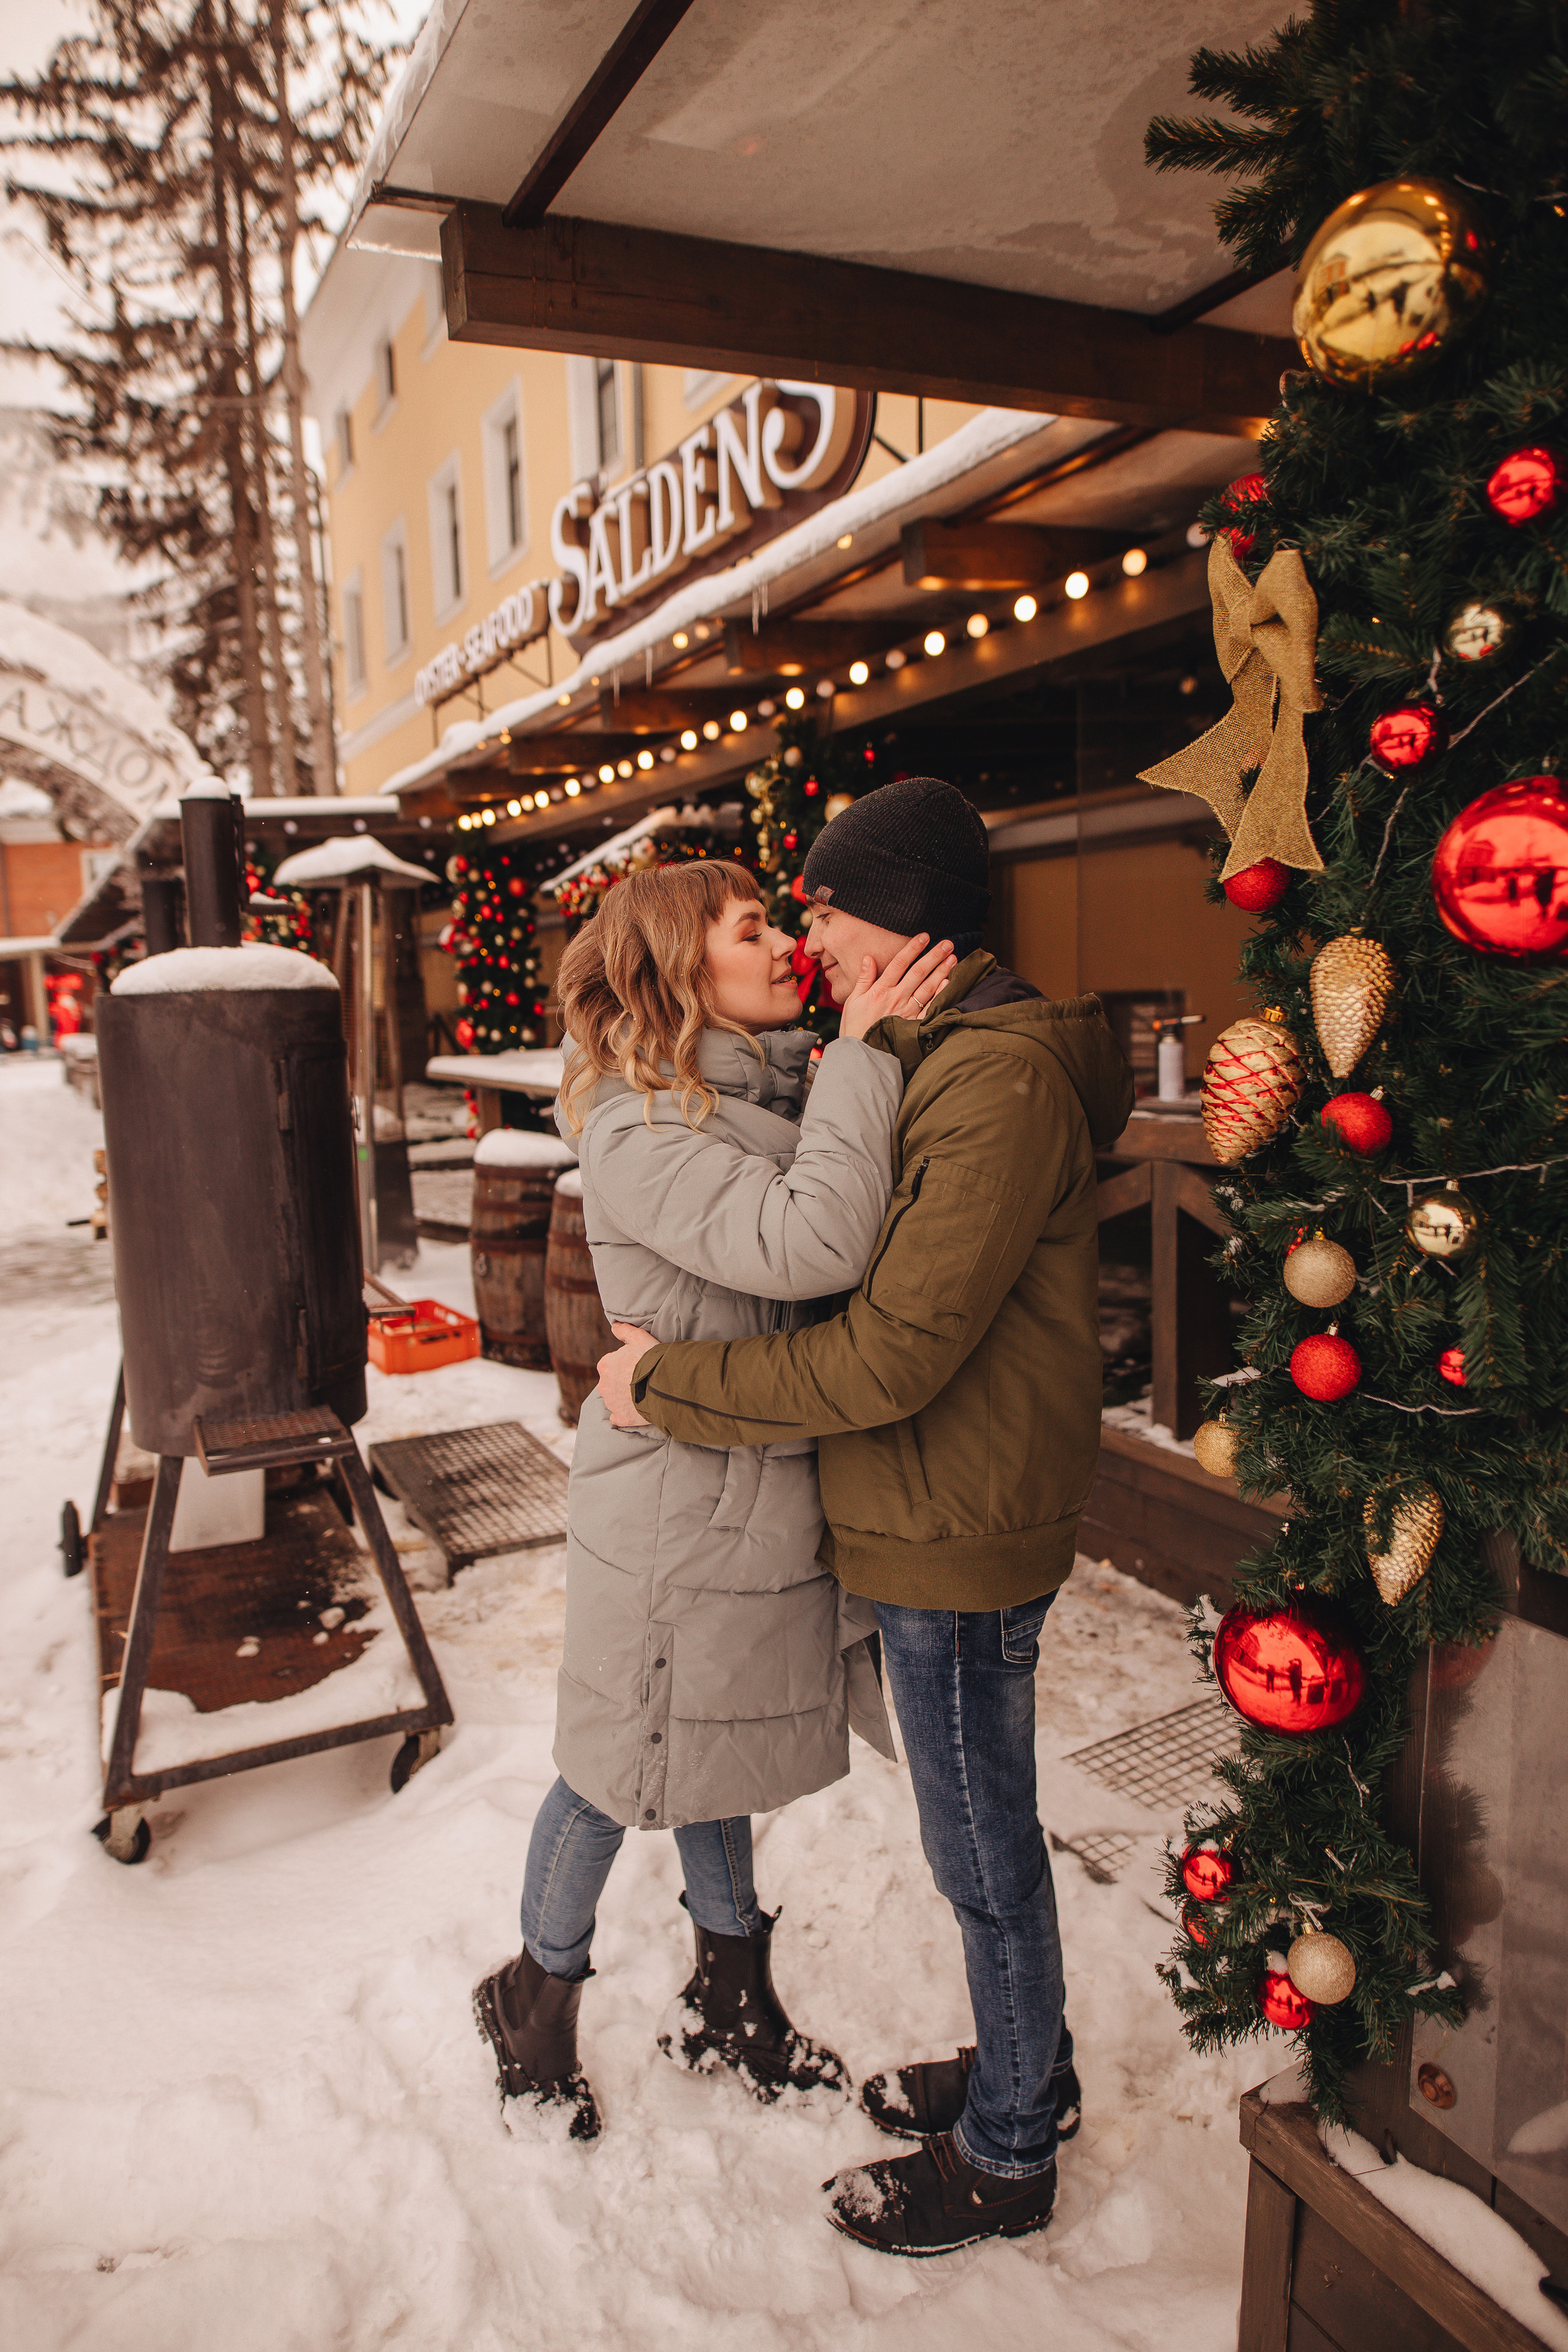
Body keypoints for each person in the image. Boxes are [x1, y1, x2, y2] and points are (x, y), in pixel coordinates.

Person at [597, 776, 1134, 2255]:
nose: (811, 937)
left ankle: (1011, 2151)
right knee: (978, 1834)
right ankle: (1028, 2071)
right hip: (926, 1498)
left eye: (821, 908)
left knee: (977, 1848)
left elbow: (894, 1347)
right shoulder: (930, 1052)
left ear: (896, 912)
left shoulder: (993, 1076)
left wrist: (669, 1388)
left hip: (953, 1518)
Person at [473, 859, 957, 2141]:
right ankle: (532, 1991)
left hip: (761, 1494)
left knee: (719, 1754)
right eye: (752, 930)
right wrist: (861, 1058)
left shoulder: (769, 1091)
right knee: (620, 1762)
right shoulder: (642, 1125)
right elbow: (813, 1245)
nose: (786, 945)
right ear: (682, 967)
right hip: (676, 1511)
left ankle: (729, 1997)